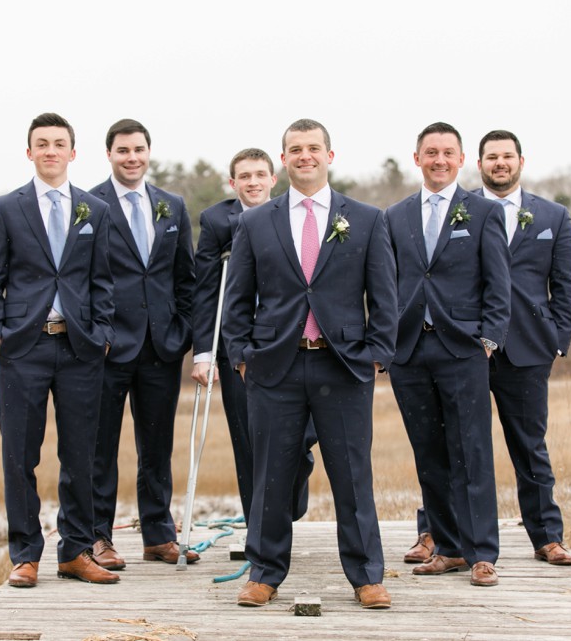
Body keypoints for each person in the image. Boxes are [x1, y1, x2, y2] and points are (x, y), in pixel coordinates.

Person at [223, 119, 397, 609]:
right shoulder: (255, 222)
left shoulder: (364, 219)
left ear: (329, 155)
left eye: (313, 148)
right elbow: (237, 299)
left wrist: (377, 353)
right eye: (295, 149)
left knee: (352, 475)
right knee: (271, 476)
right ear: (283, 159)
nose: (305, 156)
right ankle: (264, 572)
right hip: (274, 368)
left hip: (342, 366)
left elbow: (384, 294)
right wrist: (241, 356)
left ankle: (366, 576)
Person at [0, 112, 118, 587]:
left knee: (81, 455)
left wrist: (101, 334)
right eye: (43, 143)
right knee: (20, 454)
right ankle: (26, 555)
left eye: (60, 143)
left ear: (73, 153)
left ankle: (75, 552)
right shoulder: (6, 208)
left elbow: (103, 281)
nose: (51, 150)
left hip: (80, 349)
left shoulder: (94, 211)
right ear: (30, 151)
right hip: (23, 349)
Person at [384, 122, 511, 587]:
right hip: (409, 349)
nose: (439, 160)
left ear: (461, 160)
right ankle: (450, 547)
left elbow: (499, 284)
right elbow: (383, 284)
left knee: (471, 450)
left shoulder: (481, 212)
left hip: (463, 348)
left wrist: (489, 338)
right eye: (430, 152)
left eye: (447, 153)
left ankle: (482, 553)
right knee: (429, 453)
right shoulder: (394, 217)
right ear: (417, 158)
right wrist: (384, 342)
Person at [88, 118, 197, 568]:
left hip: (161, 348)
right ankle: (98, 538)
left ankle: (158, 534)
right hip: (109, 348)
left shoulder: (171, 206)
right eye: (122, 150)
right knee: (99, 446)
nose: (131, 158)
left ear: (148, 153)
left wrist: (183, 330)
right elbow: (81, 279)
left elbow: (185, 276)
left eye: (138, 150)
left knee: (157, 446)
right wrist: (99, 334)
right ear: (109, 154)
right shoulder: (88, 204)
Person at [191, 148, 314, 525]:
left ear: (273, 179)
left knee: (302, 438)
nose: (253, 182)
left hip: (291, 343)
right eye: (244, 176)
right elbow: (206, 290)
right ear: (233, 183)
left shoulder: (290, 215)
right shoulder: (216, 221)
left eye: (260, 175)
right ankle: (259, 528)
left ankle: (289, 503)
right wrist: (202, 353)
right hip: (240, 347)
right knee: (249, 441)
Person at [476, 129, 571, 565]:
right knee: (453, 444)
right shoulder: (460, 211)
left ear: (521, 161)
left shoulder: (552, 216)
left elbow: (567, 284)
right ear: (478, 163)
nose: (500, 163)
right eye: (491, 157)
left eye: (507, 156)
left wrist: (557, 339)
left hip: (528, 349)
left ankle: (546, 536)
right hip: (467, 346)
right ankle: (435, 533)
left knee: (530, 446)